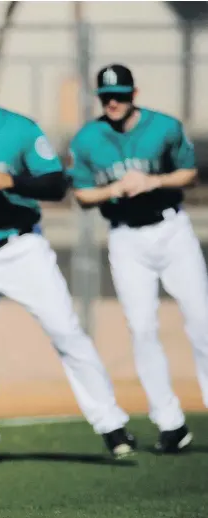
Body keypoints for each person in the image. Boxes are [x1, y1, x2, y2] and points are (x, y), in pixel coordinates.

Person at [0, 55, 136, 462]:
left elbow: (56, 185)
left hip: (21, 248)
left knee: (66, 331)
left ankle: (112, 425)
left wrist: (9, 180)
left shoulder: (19, 129)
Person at [69, 64, 207, 453]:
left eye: (121, 95)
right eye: (107, 96)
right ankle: (170, 423)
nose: (114, 102)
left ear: (135, 93)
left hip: (171, 229)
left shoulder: (164, 126)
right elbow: (81, 194)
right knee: (142, 328)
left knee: (201, 322)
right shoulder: (88, 138)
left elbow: (188, 173)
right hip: (126, 237)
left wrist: (153, 181)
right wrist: (114, 188)